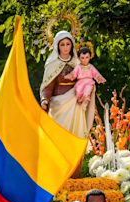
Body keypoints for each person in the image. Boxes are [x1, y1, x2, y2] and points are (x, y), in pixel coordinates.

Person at [40, 32, 96, 178]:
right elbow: (47, 85)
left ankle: (75, 176)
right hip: (59, 106)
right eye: (62, 44)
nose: (65, 47)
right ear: (57, 46)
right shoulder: (52, 64)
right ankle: (58, 176)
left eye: (68, 44)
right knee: (58, 141)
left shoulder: (77, 63)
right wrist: (45, 100)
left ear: (72, 45)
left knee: (75, 138)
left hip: (75, 104)